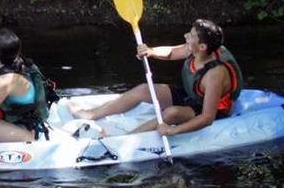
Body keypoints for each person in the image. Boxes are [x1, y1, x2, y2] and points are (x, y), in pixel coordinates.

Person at [70, 19, 243, 137]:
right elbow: (171, 52)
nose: (186, 37)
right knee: (144, 90)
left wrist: (173, 131)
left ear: (203, 46)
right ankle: (92, 114)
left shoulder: (214, 75)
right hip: (193, 95)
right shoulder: (196, 48)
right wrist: (150, 51)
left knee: (171, 113)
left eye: (190, 36)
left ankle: (126, 138)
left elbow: (207, 118)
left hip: (213, 109)